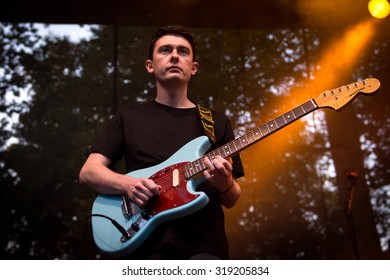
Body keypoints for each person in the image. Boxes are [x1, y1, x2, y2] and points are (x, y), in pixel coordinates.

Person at [79, 25, 244, 260]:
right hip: (139, 245)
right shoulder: (129, 117)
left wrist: (225, 183)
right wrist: (128, 185)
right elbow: (89, 172)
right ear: (150, 65)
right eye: (165, 50)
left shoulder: (215, 121)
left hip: (203, 246)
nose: (175, 55)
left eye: (183, 51)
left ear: (194, 68)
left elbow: (232, 198)